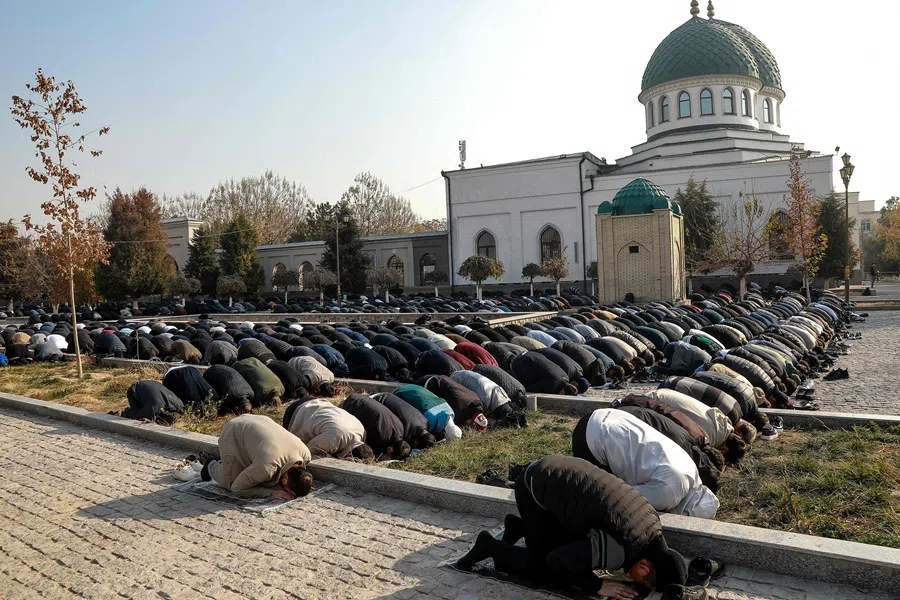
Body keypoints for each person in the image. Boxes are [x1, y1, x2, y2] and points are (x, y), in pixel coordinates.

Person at [456, 455, 689, 598]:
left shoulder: (652, 525)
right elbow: (558, 561)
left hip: (557, 473)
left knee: (573, 550)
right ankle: (489, 546)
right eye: (644, 583)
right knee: (546, 568)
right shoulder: (620, 548)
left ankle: (519, 527)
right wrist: (596, 585)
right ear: (645, 568)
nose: (637, 584)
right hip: (535, 487)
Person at [571, 409, 719, 518]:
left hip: (611, 416)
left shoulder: (691, 470)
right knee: (589, 494)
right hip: (594, 435)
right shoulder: (669, 494)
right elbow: (622, 499)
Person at [203, 414, 313, 499]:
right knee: (231, 482)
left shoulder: (305, 454)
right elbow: (237, 488)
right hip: (234, 432)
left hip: (257, 421)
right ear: (284, 480)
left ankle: (230, 463)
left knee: (254, 475)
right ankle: (210, 465)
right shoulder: (267, 467)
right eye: (288, 491)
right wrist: (271, 493)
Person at [284, 398, 374, 460]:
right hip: (297, 411)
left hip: (319, 403)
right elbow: (308, 451)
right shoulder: (333, 440)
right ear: (349, 456)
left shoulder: (361, 431)